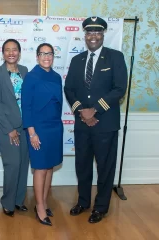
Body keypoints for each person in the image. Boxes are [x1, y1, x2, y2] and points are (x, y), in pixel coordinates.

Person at [64, 16, 128, 223]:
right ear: (85, 35)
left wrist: (95, 110)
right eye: (89, 33)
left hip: (105, 124)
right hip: (83, 124)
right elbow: (69, 89)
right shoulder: (77, 60)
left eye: (97, 33)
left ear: (102, 35)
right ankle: (83, 202)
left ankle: (101, 207)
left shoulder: (115, 58)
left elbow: (119, 88)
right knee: (82, 166)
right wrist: (82, 111)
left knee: (105, 167)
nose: (93, 36)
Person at [21, 43, 63, 226]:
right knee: (40, 167)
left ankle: (44, 202)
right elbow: (26, 107)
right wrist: (32, 133)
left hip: (54, 128)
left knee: (49, 167)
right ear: (37, 57)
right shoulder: (31, 77)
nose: (47, 57)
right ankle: (39, 208)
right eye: (43, 54)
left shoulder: (57, 77)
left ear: (53, 56)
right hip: (38, 129)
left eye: (50, 54)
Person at [0, 39, 29, 217]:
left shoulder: (25, 71)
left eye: (14, 50)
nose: (11, 53)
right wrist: (9, 129)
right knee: (12, 164)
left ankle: (19, 200)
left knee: (22, 164)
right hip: (7, 127)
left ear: (19, 52)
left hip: (25, 126)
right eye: (7, 50)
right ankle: (7, 202)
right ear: (2, 53)